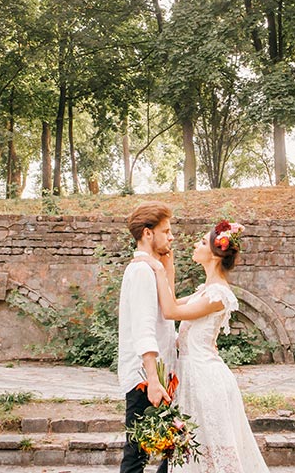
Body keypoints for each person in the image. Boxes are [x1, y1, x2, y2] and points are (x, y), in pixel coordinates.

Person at [144, 220, 270, 473]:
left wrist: (157, 269)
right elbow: (170, 301)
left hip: (206, 377)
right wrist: (168, 268)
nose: (195, 244)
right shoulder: (206, 290)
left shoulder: (219, 294)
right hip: (193, 375)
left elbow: (171, 311)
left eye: (201, 242)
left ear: (214, 255)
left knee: (213, 448)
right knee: (193, 449)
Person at [118, 202, 178, 473]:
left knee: (171, 451)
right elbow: (143, 329)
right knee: (136, 457)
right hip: (146, 379)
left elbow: (168, 311)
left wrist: (168, 268)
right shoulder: (142, 271)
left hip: (159, 376)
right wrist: (153, 381)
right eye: (165, 231)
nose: (171, 236)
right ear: (147, 233)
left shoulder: (150, 268)